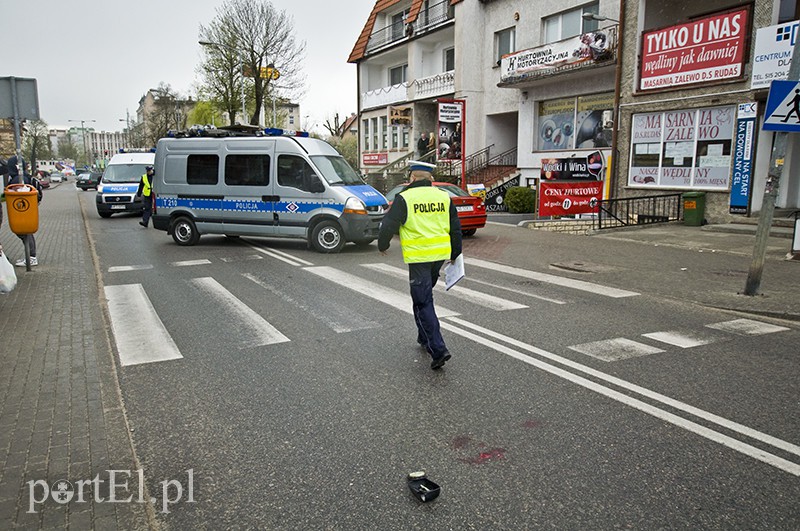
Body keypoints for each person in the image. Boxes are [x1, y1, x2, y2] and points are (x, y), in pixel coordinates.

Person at [378, 160, 462, 370]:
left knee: (423, 300)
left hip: (419, 258)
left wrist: (382, 244)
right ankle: (423, 336)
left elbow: (389, 224)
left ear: (412, 178)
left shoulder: (404, 197)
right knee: (423, 295)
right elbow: (455, 226)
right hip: (439, 256)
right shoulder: (444, 197)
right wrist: (455, 253)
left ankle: (438, 348)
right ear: (430, 178)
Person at [5, 155, 43, 267]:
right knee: (26, 231)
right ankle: (31, 256)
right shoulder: (24, 177)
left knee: (23, 231)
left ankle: (31, 257)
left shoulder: (18, 179)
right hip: (27, 209)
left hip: (20, 210)